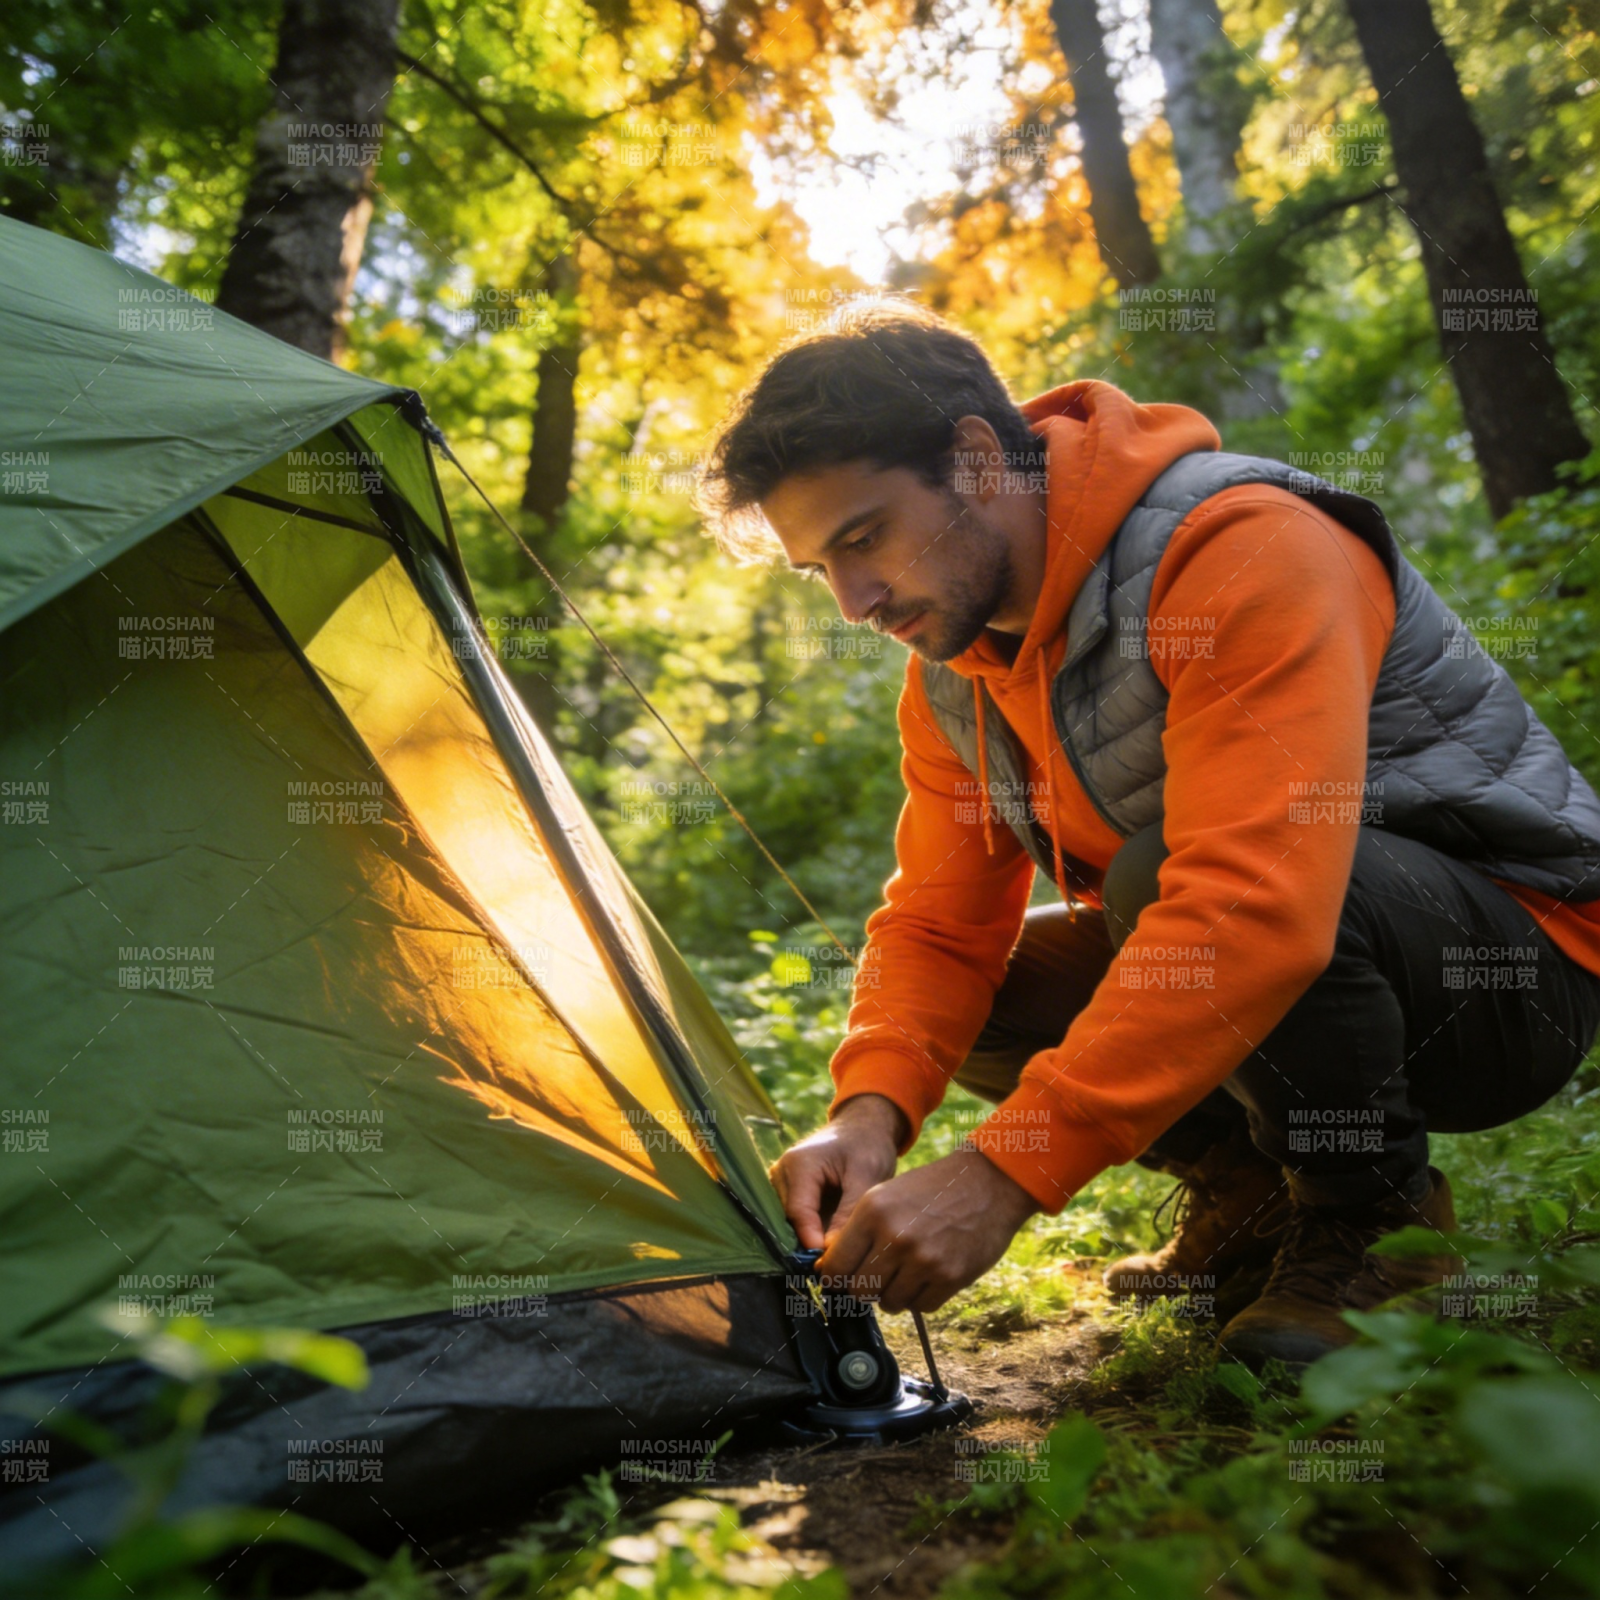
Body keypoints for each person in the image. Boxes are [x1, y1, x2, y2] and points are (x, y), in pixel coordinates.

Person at [694, 301, 1600, 1367]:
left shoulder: (1244, 544)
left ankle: (1373, 1223)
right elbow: (937, 925)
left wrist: (1001, 1174)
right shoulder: (953, 674)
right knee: (1003, 982)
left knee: (1160, 874)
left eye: (864, 538)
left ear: (977, 460)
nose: (854, 601)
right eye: (821, 570)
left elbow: (1251, 900)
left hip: (1512, 971)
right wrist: (868, 1114)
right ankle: (1255, 1193)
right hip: (1308, 943)